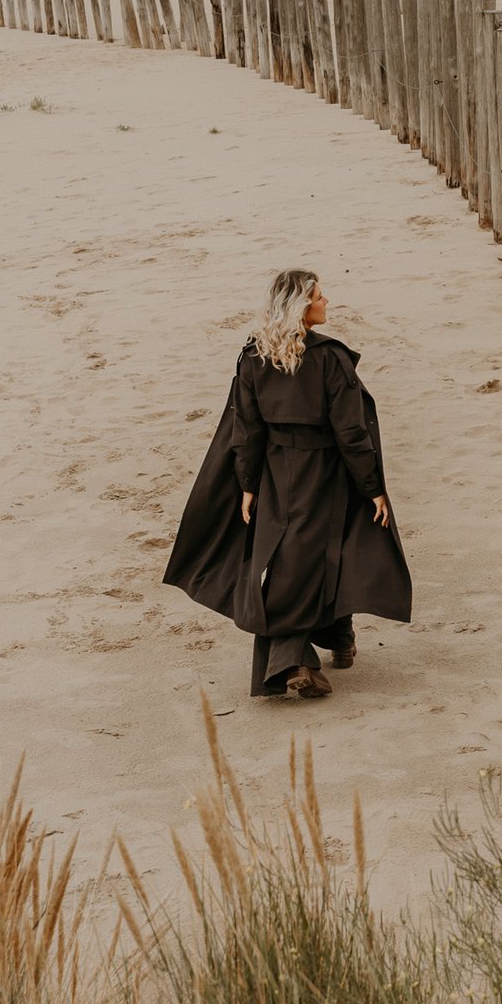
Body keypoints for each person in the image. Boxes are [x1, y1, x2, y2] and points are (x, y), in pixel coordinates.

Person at [164, 270, 412, 698]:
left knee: (297, 555)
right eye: (319, 295)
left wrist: (247, 482)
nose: (327, 300)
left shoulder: (253, 357)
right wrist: (372, 487)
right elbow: (351, 432)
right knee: (316, 555)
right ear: (301, 305)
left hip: (276, 470)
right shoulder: (330, 358)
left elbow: (247, 427)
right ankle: (294, 659)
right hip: (326, 472)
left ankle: (340, 638)